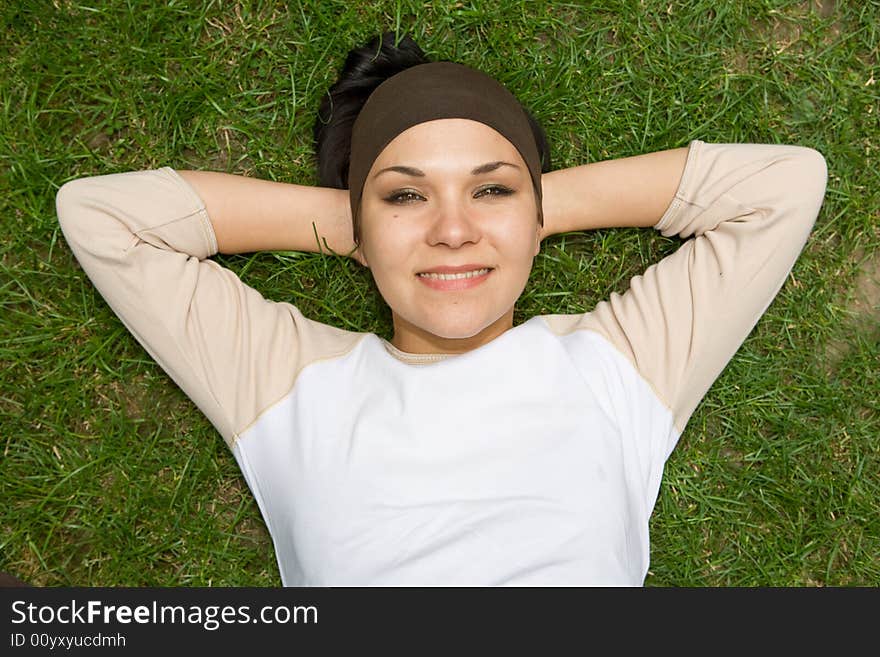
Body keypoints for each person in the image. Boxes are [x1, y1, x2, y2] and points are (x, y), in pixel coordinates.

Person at [55, 32, 828, 586]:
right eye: (405, 195)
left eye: (490, 188)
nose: (453, 229)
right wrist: (366, 224)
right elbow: (103, 217)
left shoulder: (617, 368)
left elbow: (783, 187)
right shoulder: (288, 386)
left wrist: (524, 209)